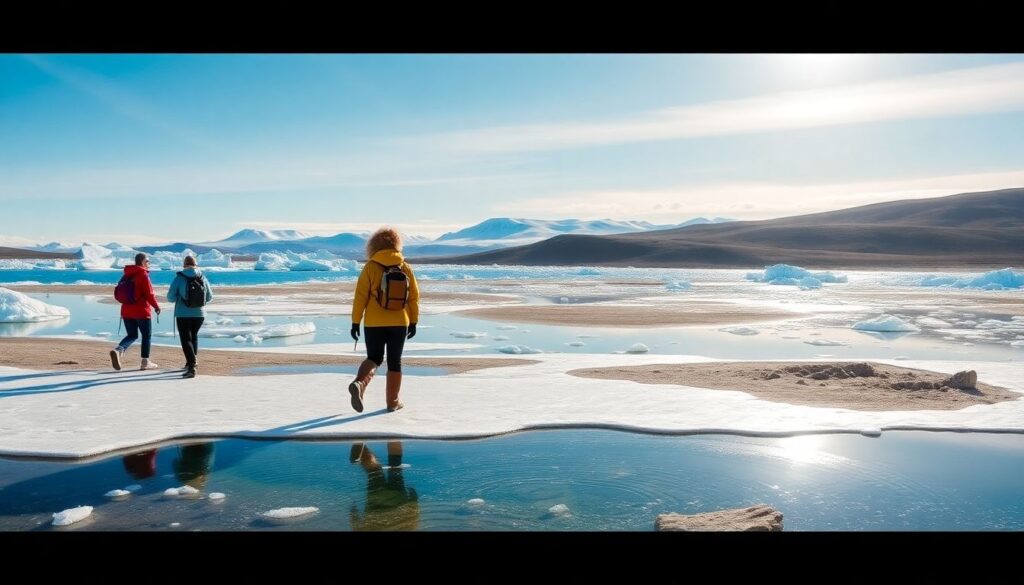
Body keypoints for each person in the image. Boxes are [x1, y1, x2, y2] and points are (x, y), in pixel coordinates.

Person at [348, 227, 420, 413]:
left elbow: (360, 296)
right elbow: (413, 298)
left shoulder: (371, 267)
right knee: (395, 361)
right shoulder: (405, 266)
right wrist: (413, 321)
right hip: (399, 322)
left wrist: (356, 322)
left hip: (373, 322)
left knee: (374, 357)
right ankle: (392, 402)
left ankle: (360, 383)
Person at [349, 441, 419, 531]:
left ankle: (394, 435)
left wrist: (414, 500)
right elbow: (357, 528)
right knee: (373, 471)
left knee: (395, 466)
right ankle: (360, 447)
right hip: (376, 505)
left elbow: (411, 523)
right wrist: (354, 515)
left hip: (397, 501)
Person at [110, 252, 162, 371]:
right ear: (143, 262)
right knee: (146, 336)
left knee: (132, 335)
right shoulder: (143, 275)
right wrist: (156, 306)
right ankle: (145, 362)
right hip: (141, 311)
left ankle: (118, 350)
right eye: (148, 261)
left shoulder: (126, 275)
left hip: (126, 310)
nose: (149, 264)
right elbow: (149, 294)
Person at [167, 255, 214, 378]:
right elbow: (209, 297)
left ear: (184, 265)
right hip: (200, 314)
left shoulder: (179, 278)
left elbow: (170, 297)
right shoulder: (202, 277)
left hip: (183, 313)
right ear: (196, 264)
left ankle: (192, 367)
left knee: (186, 339)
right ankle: (190, 363)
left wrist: (180, 298)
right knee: (193, 337)